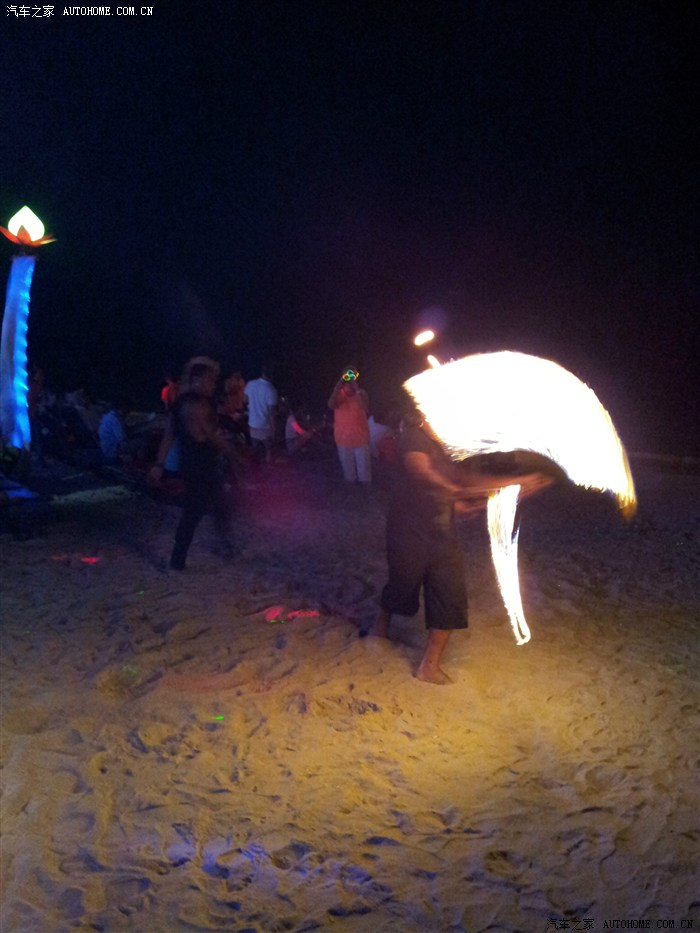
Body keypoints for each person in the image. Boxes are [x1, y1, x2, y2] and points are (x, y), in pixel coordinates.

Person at [373, 408, 553, 684]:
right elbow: (423, 472)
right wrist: (455, 491)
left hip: (442, 532)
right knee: (402, 586)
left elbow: (466, 480)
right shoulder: (413, 436)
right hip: (408, 530)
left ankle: (429, 666)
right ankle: (381, 624)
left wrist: (512, 483)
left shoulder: (450, 448)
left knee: (449, 594)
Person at [149, 362, 234, 571]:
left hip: (195, 464)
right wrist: (227, 447)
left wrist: (159, 464)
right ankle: (178, 559)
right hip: (200, 465)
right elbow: (202, 435)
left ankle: (219, 547)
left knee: (216, 505)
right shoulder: (193, 405)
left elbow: (170, 435)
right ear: (198, 380)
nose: (213, 384)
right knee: (196, 510)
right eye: (210, 380)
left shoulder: (186, 403)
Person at [327, 367, 371, 483]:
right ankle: (352, 492)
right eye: (347, 376)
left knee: (364, 476)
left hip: (360, 438)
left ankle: (365, 492)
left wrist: (356, 388)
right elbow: (330, 405)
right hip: (343, 439)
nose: (350, 378)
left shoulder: (361, 393)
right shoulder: (339, 394)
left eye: (353, 375)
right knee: (349, 476)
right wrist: (338, 385)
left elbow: (365, 408)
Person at [245, 364, 278, 462]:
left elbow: (245, 400)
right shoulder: (271, 390)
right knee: (269, 450)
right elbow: (272, 413)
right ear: (272, 375)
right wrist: (274, 431)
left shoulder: (250, 384)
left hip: (252, 423)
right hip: (264, 426)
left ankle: (255, 467)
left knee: (255, 450)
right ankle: (268, 467)